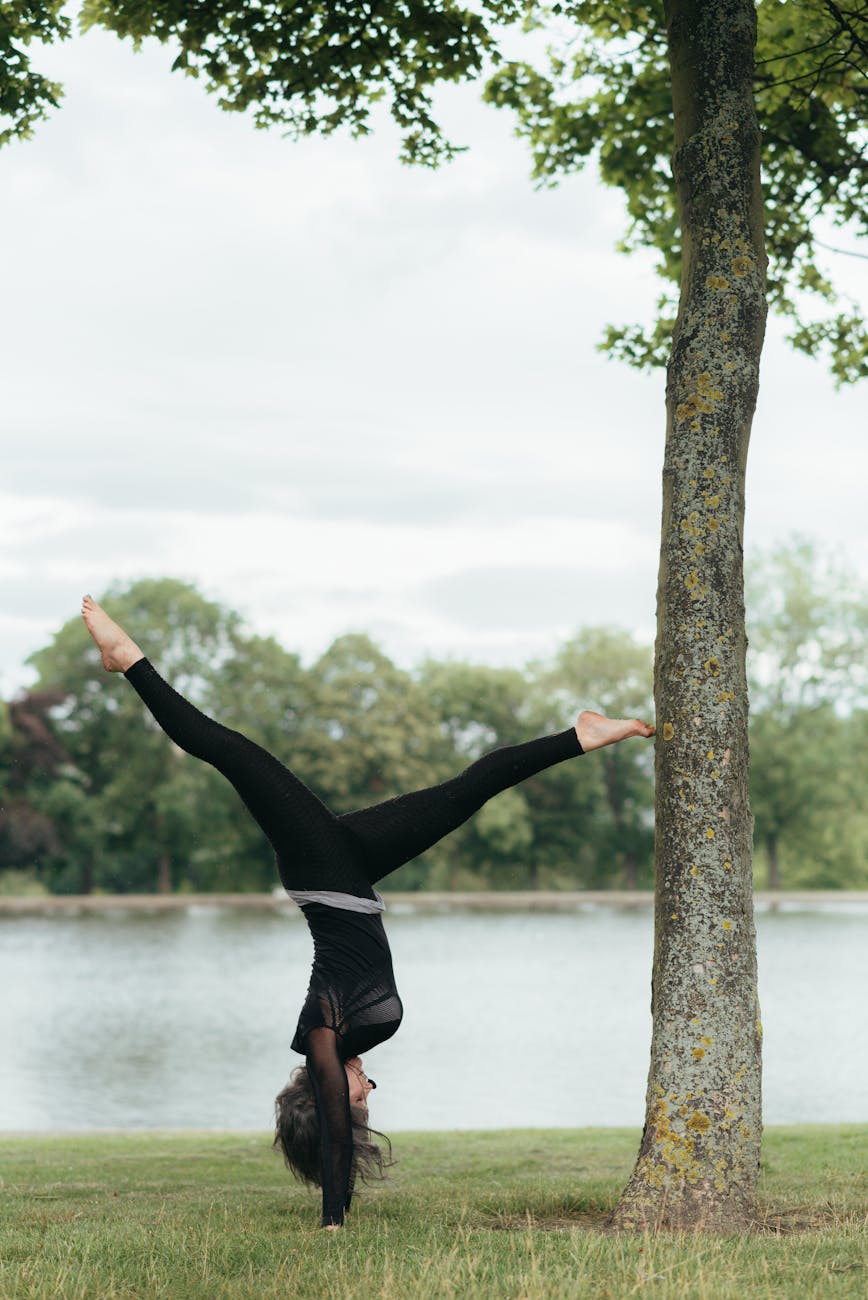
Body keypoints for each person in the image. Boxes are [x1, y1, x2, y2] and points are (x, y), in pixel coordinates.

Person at [81, 595, 654, 1228]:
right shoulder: (352, 1037)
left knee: (229, 751)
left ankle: (127, 657)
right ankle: (582, 735)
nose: (366, 1093)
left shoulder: (322, 1037)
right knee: (464, 792)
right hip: (350, 869)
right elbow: (336, 1128)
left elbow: (331, 1128)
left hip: (321, 873)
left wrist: (333, 1218)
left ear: (324, 1099)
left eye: (359, 1102)